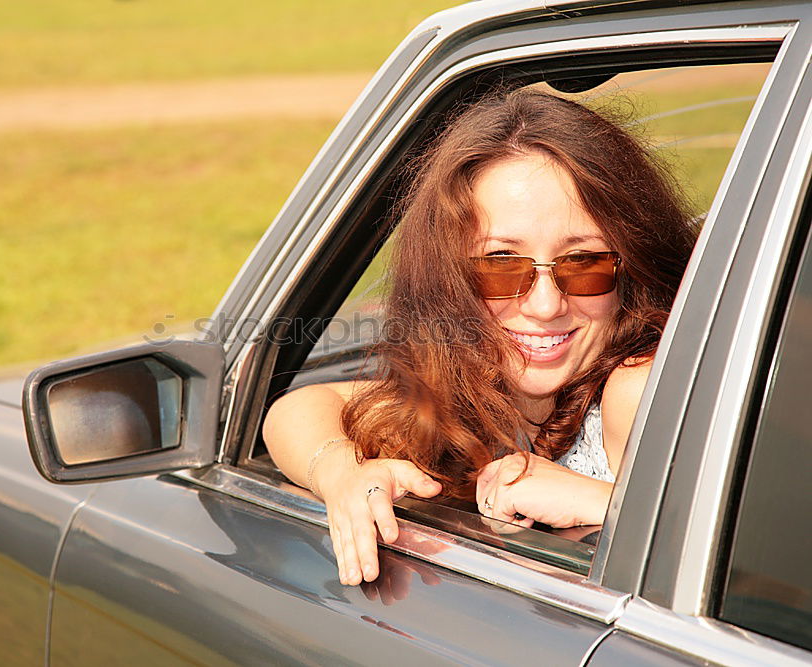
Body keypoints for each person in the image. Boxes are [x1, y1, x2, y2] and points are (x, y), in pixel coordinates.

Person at [262, 87, 698, 586]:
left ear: (633, 265)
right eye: (500, 265)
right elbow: (299, 409)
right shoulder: (471, 381)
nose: (544, 304)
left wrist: (607, 506)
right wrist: (341, 476)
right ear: (448, 279)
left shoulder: (637, 390)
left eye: (584, 262)